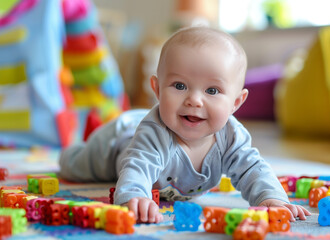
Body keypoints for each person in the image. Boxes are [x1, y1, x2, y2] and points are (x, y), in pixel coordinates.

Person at [59, 26, 311, 224]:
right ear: (157, 89)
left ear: (236, 102)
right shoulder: (154, 133)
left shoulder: (232, 137)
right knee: (76, 167)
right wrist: (135, 197)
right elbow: (138, 166)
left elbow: (253, 169)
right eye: (179, 86)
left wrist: (271, 198)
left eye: (212, 90)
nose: (194, 100)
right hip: (118, 140)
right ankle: (68, 152)